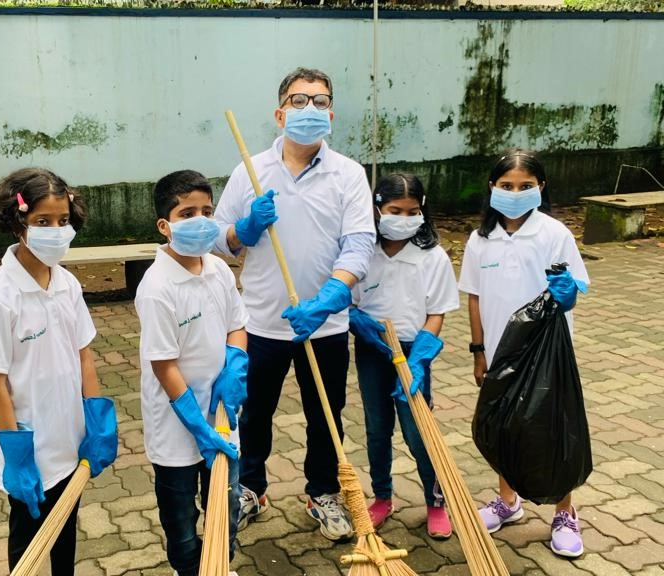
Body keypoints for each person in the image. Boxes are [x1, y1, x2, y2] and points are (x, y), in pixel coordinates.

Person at [213, 67, 375, 540]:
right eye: (299, 101)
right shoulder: (250, 170)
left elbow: (359, 243)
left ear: (332, 115)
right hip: (261, 321)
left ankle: (323, 492)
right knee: (254, 413)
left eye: (320, 102)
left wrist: (331, 297)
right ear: (280, 113)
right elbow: (217, 239)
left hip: (324, 325)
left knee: (326, 414)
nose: (310, 109)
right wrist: (243, 230)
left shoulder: (348, 174)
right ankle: (250, 487)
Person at [0, 167, 118, 576]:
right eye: (42, 222)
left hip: (69, 441)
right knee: (28, 544)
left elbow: (84, 355)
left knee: (65, 534)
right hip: (29, 448)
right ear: (17, 221)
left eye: (62, 221)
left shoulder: (67, 284)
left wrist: (96, 419)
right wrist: (17, 455)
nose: (55, 231)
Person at [459, 150, 589, 558]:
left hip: (547, 355)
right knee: (503, 428)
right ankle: (507, 501)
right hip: (500, 353)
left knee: (553, 429)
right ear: (492, 188)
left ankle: (564, 513)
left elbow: (573, 286)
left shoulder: (554, 234)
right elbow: (475, 298)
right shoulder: (480, 240)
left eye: (525, 186)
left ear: (541, 188)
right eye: (507, 186)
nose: (515, 193)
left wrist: (568, 295)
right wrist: (479, 351)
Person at [136, 170, 247, 576]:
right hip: (176, 428)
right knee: (181, 521)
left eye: (207, 211)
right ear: (164, 226)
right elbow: (163, 364)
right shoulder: (157, 287)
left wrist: (235, 366)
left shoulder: (218, 269)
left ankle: (219, 566)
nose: (200, 220)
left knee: (226, 506)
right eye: (187, 214)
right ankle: (188, 569)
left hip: (223, 418)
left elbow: (237, 325)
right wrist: (198, 426)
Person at [347, 173, 457, 539]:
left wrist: (419, 358)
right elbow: (349, 299)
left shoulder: (432, 257)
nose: (404, 219)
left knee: (418, 431)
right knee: (377, 427)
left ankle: (436, 500)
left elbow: (437, 312)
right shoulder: (363, 253)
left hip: (412, 352)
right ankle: (382, 496)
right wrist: (356, 320)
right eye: (395, 210)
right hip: (373, 350)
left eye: (412, 212)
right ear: (377, 209)